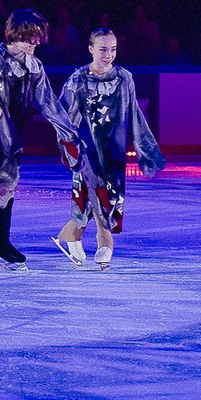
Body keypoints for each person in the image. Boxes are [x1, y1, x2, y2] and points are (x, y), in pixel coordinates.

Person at [0, 8, 79, 268]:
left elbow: (48, 102)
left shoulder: (34, 66)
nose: (36, 41)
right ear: (16, 33)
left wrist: (68, 133)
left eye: (39, 36)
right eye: (31, 36)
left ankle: (3, 240)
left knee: (7, 185)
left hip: (13, 136)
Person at [55, 26, 164, 268]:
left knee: (107, 200)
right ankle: (104, 241)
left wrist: (146, 148)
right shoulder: (77, 80)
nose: (109, 55)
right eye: (103, 49)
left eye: (113, 49)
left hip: (113, 151)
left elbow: (134, 113)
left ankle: (69, 235)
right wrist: (68, 148)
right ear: (91, 49)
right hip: (86, 151)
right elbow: (62, 118)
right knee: (94, 195)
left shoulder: (124, 78)